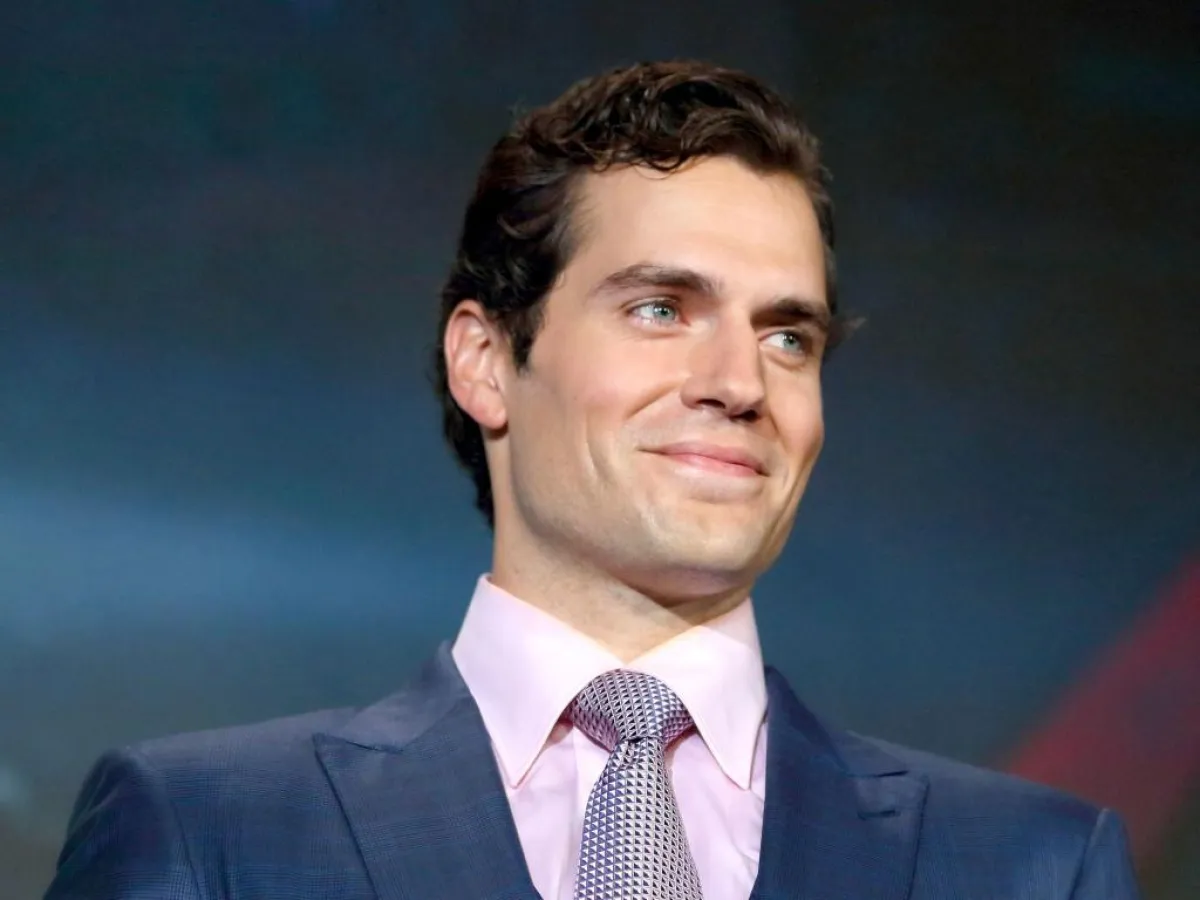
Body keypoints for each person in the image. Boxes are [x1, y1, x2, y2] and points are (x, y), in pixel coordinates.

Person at [46, 60, 1140, 900]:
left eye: (788, 337)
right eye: (662, 309)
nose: (738, 383)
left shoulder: (1032, 868)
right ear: (486, 361)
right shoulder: (210, 833)